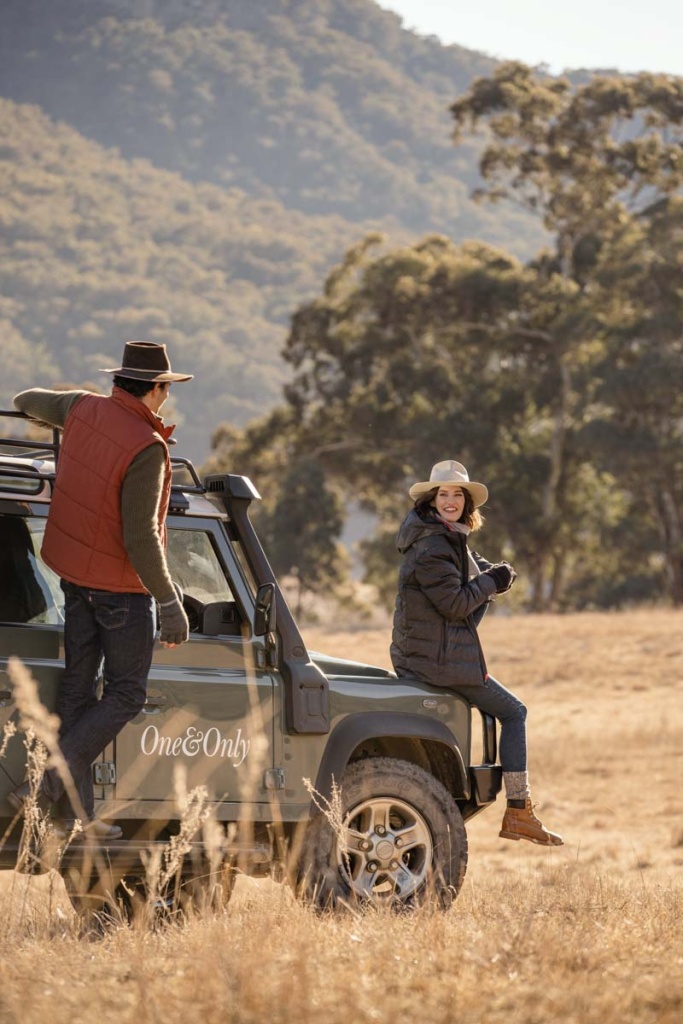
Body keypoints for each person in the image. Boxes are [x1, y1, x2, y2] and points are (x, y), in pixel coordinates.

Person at [10, 341, 192, 839]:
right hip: (121, 592)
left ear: (118, 381)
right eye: (165, 389)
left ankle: (76, 819)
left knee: (76, 693)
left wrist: (60, 411)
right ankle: (48, 781)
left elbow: (26, 398)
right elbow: (141, 538)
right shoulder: (147, 448)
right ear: (155, 390)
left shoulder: (80, 409)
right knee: (127, 694)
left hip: (75, 581)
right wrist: (170, 601)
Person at [391, 460, 563, 846]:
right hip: (435, 660)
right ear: (431, 500)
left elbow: (475, 576)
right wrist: (492, 581)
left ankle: (510, 807)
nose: (450, 500)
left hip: (432, 653)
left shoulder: (447, 536)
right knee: (514, 712)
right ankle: (519, 811)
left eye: (457, 494)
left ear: (466, 503)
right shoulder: (434, 545)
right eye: (443, 494)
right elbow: (454, 603)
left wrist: (492, 576)